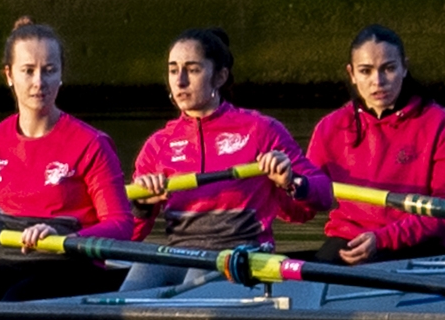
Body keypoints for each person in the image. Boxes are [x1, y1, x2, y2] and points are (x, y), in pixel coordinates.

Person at [0, 19, 138, 301]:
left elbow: (120, 224)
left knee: (16, 299)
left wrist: (65, 240)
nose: (40, 82)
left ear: (61, 74)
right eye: (28, 71)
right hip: (12, 264)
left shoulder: (91, 143)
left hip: (73, 267)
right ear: (9, 75)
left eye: (49, 71)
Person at [123, 28, 327, 289]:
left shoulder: (260, 130)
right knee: (139, 276)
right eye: (173, 70)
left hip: (242, 255)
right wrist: (141, 204)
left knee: (196, 276)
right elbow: (127, 234)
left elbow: (322, 196)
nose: (180, 81)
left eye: (193, 70)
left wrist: (290, 181)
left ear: (220, 77)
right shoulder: (158, 145)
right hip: (179, 252)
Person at [304, 25, 445, 263]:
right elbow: (304, 209)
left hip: (419, 245)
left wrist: (383, 239)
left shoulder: (442, 124)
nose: (378, 81)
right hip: (349, 243)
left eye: (389, 69)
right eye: (366, 71)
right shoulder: (330, 127)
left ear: (404, 68)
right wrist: (288, 185)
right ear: (351, 74)